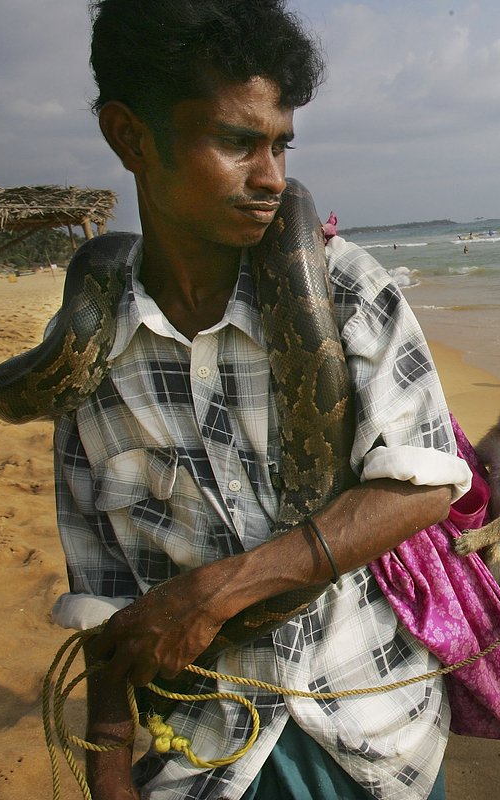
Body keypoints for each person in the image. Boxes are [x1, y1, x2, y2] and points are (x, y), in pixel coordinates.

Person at [51, 2, 472, 798]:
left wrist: (214, 592)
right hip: (201, 760)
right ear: (130, 137)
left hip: (374, 738)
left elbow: (422, 489)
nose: (273, 177)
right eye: (237, 142)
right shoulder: (86, 362)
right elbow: (103, 605)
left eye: (280, 144)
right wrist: (108, 775)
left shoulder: (346, 288)